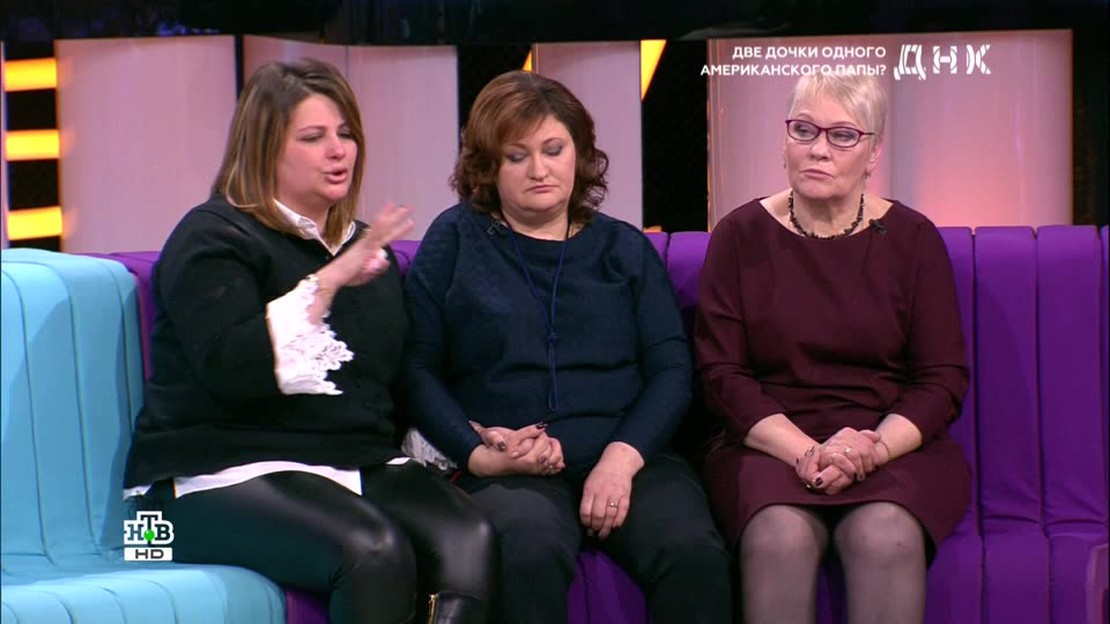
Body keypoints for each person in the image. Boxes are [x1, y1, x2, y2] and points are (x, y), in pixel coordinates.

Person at [122, 58, 495, 624]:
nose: (338, 151)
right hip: (192, 489)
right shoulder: (211, 237)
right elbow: (232, 367)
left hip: (346, 465)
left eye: (345, 134)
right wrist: (330, 280)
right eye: (313, 137)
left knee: (469, 537)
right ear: (265, 150)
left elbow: (391, 384)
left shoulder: (363, 250)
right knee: (373, 550)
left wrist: (472, 437)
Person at [401, 70, 731, 624]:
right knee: (527, 549)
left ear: (579, 153)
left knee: (691, 552)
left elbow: (672, 368)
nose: (539, 170)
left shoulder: (623, 248)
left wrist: (621, 460)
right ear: (487, 166)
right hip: (507, 464)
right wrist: (477, 452)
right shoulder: (455, 239)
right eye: (517, 156)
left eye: (554, 150)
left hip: (628, 454)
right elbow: (416, 367)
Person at [694, 72, 971, 624]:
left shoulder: (913, 239)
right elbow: (721, 374)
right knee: (780, 535)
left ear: (873, 152)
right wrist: (806, 451)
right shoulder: (739, 235)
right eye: (804, 130)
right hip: (768, 445)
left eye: (842, 135)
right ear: (784, 140)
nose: (819, 149)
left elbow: (941, 379)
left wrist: (872, 449)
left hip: (889, 444)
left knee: (884, 534)